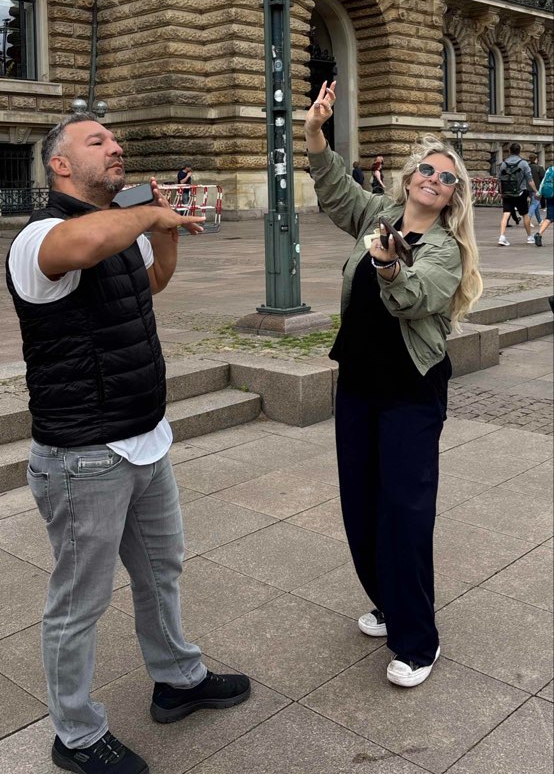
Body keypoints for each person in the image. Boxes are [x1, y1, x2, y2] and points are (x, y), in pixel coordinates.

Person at [6, 114, 250, 774]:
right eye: (97, 142)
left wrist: (165, 233)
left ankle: (177, 680)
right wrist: (146, 218)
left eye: (115, 140)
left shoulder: (121, 230)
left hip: (144, 440)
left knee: (160, 570)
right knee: (77, 604)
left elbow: (150, 287)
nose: (115, 147)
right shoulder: (38, 240)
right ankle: (76, 736)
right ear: (59, 166)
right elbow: (80, 249)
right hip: (82, 457)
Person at [305, 81, 482, 689]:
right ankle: (389, 603)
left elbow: (414, 297)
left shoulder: (447, 250)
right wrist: (315, 134)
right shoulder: (376, 216)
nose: (434, 179)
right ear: (408, 179)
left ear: (453, 196)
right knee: (361, 505)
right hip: (356, 382)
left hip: (410, 391)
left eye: (448, 177)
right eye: (427, 170)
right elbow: (337, 192)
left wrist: (387, 264)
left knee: (405, 512)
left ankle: (418, 640)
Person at [497, 142, 537, 246]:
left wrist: (501, 192)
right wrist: (536, 191)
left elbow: (499, 179)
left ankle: (502, 236)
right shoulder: (523, 163)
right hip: (521, 193)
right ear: (519, 151)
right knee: (525, 214)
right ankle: (529, 237)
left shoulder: (503, 163)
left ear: (509, 151)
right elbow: (530, 179)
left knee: (506, 214)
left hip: (507, 193)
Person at [534, 164, 554, 247]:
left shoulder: (550, 169)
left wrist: (539, 192)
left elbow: (543, 181)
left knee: (549, 217)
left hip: (550, 195)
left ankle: (539, 234)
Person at [528, 152, 545, 227]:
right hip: (537, 189)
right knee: (534, 204)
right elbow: (543, 178)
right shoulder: (539, 167)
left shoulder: (527, 167)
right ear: (536, 159)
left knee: (536, 204)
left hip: (527, 188)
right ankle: (527, 220)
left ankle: (540, 220)